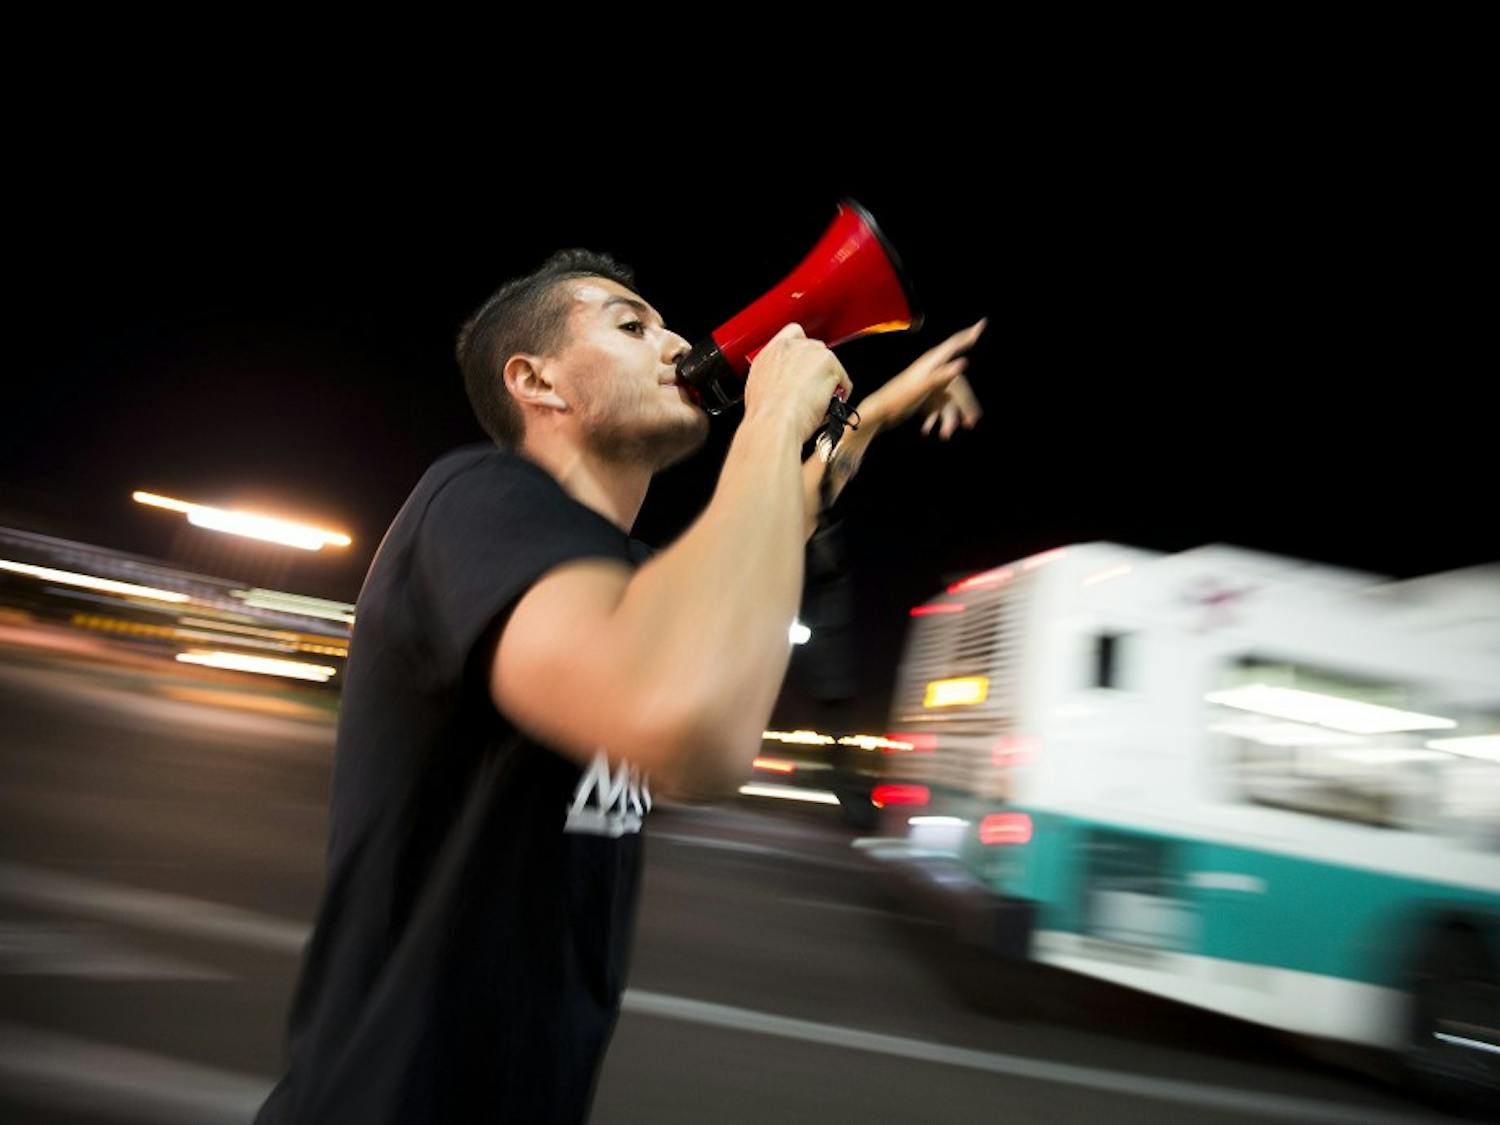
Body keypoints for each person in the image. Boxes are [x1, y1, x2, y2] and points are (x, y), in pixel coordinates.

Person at [253, 248, 985, 1123]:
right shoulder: (476, 500)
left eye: (664, 322)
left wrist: (867, 417)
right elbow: (681, 720)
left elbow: (768, 535)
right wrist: (770, 419)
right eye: (630, 325)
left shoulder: (634, 582)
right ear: (539, 383)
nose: (675, 340)